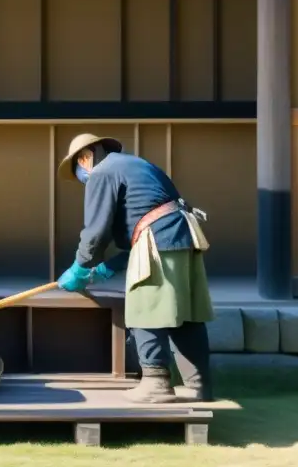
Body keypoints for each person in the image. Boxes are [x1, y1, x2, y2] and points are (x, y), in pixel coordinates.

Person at [55, 133, 214, 404]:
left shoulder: (102, 173)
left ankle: (155, 384)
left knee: (143, 306)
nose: (83, 179)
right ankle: (198, 385)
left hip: (155, 238)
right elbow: (139, 237)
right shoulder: (136, 165)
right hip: (181, 238)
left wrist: (80, 267)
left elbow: (95, 232)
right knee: (184, 314)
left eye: (79, 171)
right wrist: (104, 269)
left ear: (86, 157)